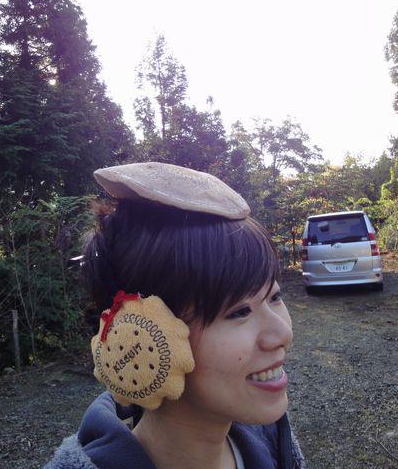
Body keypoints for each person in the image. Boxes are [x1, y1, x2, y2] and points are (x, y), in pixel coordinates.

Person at [45, 162, 304, 469]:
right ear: (142, 333)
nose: (283, 334)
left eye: (275, 297)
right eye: (240, 311)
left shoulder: (276, 445)